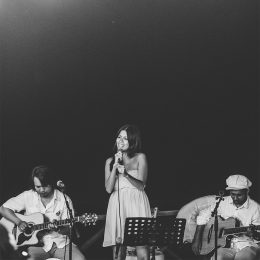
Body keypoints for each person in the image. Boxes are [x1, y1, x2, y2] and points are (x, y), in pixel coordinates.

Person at [0, 165, 86, 260]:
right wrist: (18, 222)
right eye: (38, 186)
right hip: (34, 247)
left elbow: (69, 228)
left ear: (51, 182)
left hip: (59, 244)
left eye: (45, 186)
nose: (41, 190)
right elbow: (3, 209)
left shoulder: (64, 199)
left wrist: (57, 229)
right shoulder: (28, 196)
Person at [103, 124, 151, 260]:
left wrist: (126, 174)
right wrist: (114, 167)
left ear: (133, 141)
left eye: (125, 138)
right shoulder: (109, 161)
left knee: (141, 246)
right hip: (117, 204)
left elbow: (141, 186)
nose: (121, 141)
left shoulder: (140, 157)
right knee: (118, 248)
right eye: (119, 137)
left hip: (137, 202)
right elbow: (108, 189)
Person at [192, 174, 260, 260]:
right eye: (232, 194)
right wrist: (197, 239)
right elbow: (203, 215)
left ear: (246, 192)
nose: (235, 198)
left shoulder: (256, 208)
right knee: (218, 258)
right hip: (226, 245)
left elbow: (258, 235)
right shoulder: (222, 202)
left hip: (248, 245)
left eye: (239, 195)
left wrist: (253, 234)